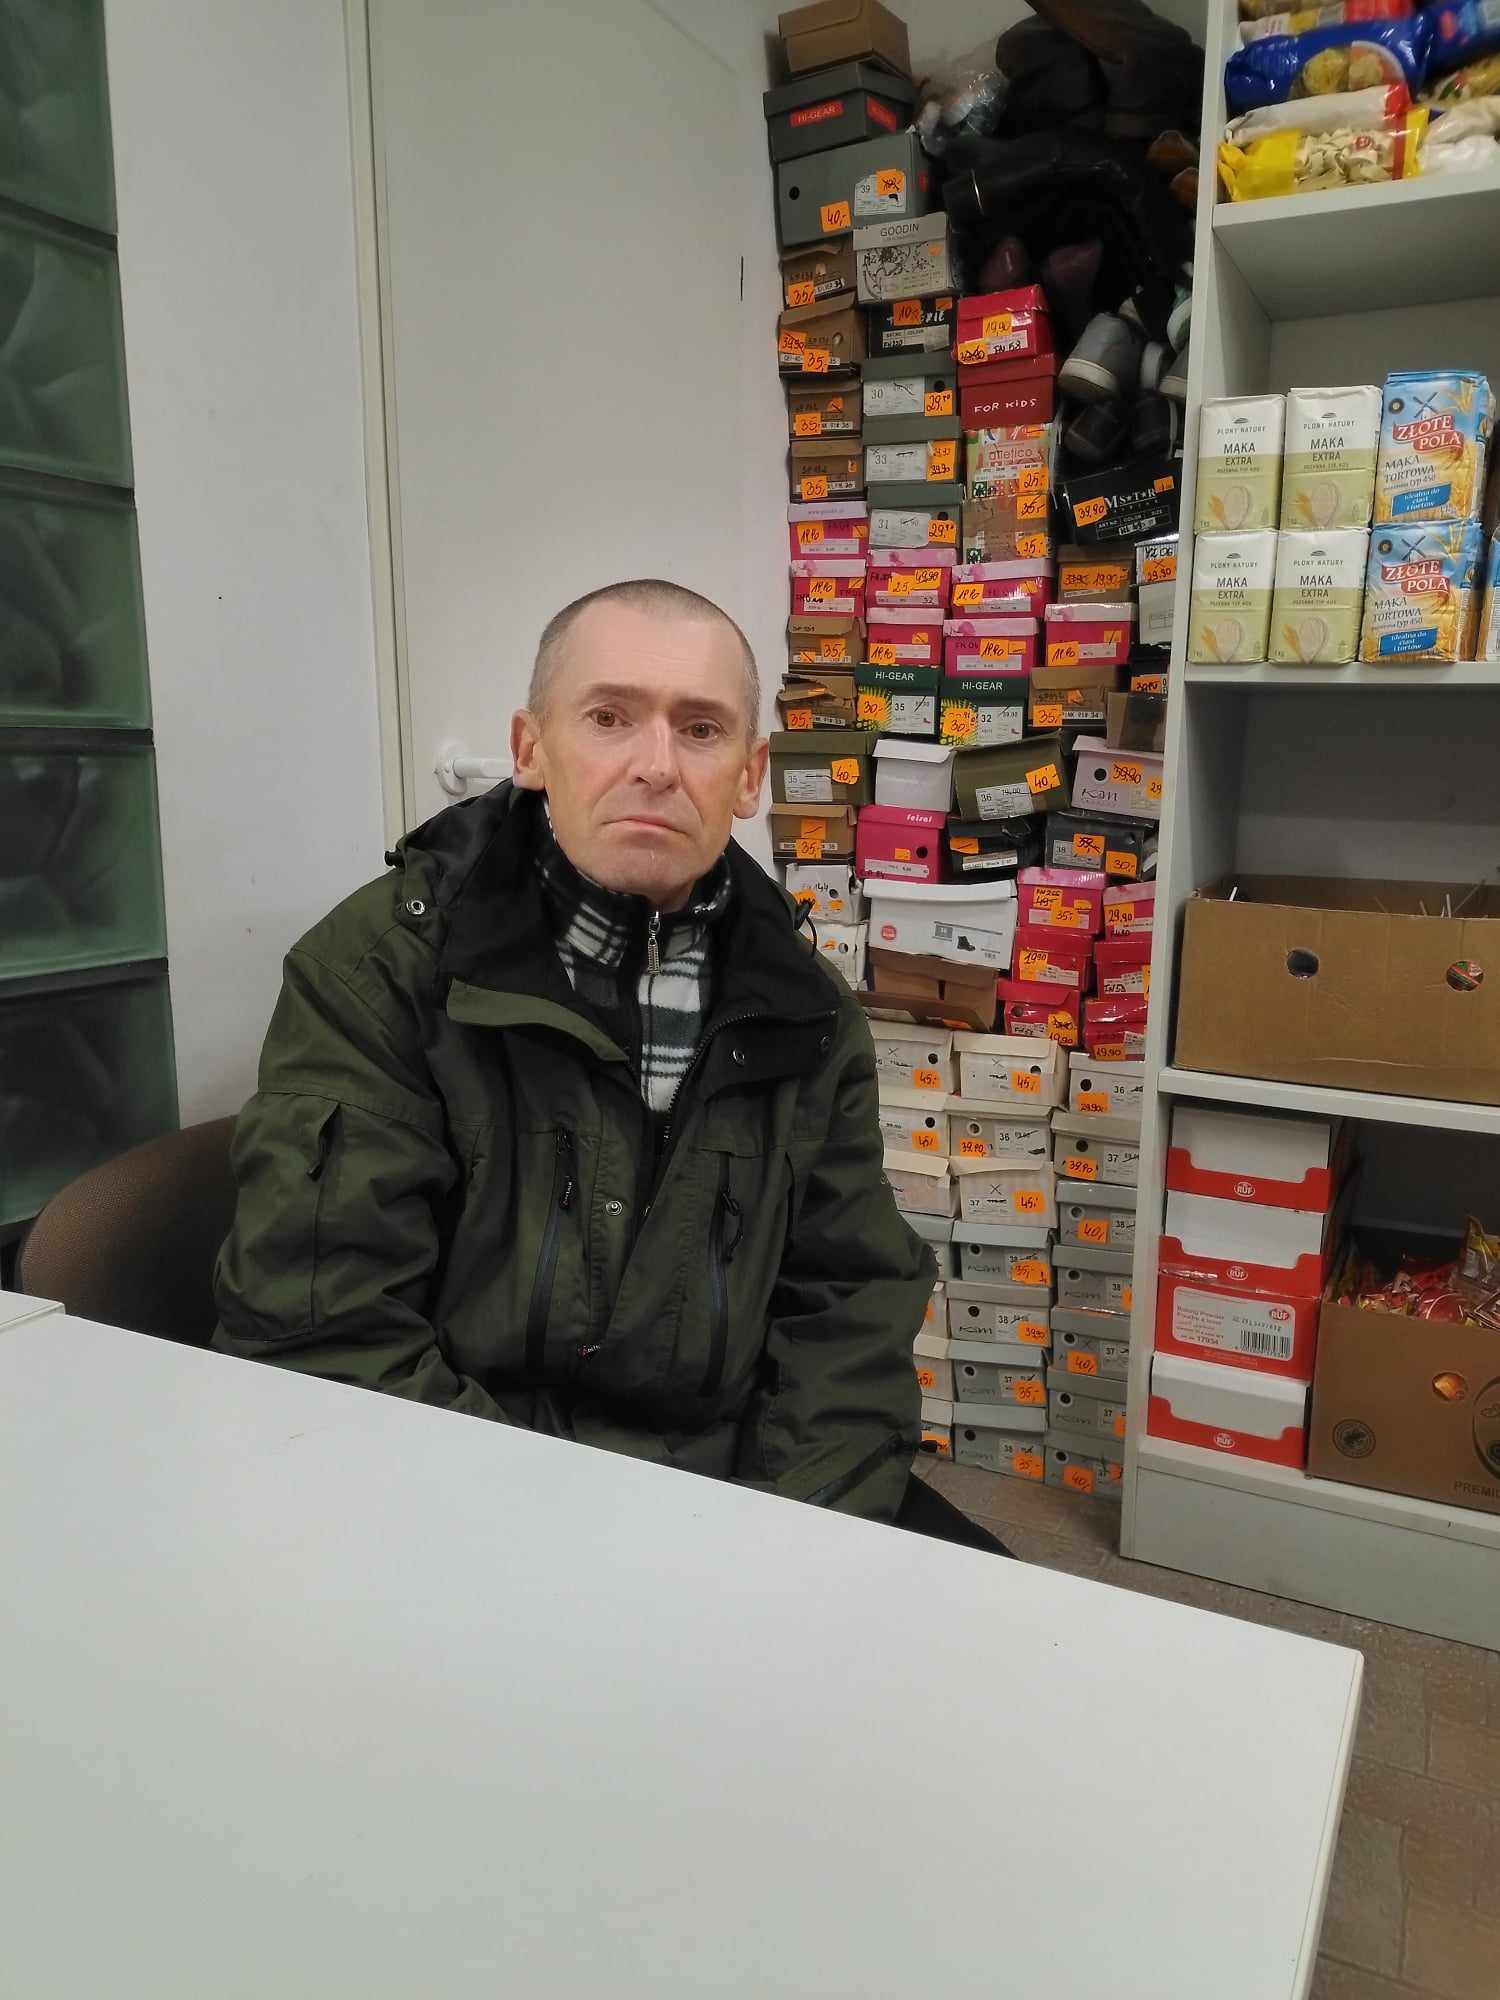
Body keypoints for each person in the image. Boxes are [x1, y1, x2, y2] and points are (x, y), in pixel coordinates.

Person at [212, 578, 935, 1521]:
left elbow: (848, 1315)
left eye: (701, 729)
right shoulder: (380, 972)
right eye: (608, 718)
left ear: (750, 776)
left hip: (725, 1495)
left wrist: (779, 1541)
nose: (656, 766)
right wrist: (563, 1546)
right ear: (530, 750)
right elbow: (324, 1335)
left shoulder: (810, 1015)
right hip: (449, 1495)